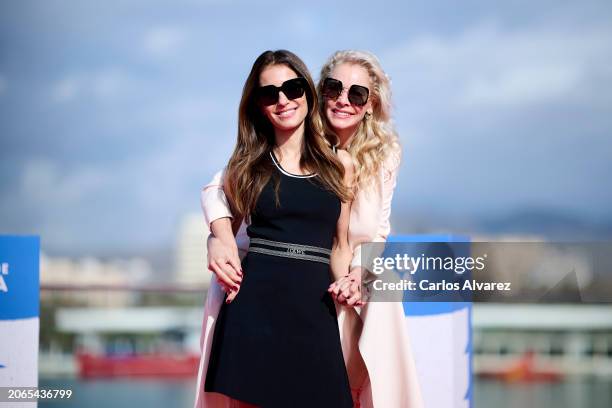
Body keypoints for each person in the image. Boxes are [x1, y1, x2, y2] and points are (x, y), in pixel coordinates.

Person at [195, 50, 424, 408]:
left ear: (370, 104)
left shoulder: (368, 160)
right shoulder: (258, 157)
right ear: (320, 91)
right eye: (334, 88)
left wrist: (358, 275)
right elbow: (216, 190)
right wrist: (219, 237)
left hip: (320, 299)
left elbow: (358, 238)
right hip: (257, 301)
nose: (343, 100)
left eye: (357, 94)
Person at [197, 49, 355, 408]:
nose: (283, 100)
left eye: (293, 88)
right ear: (258, 105)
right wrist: (215, 238)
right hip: (255, 313)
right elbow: (222, 216)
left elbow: (340, 245)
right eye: (270, 93)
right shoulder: (246, 167)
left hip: (315, 311)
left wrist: (350, 283)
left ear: (308, 93)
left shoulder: (340, 165)